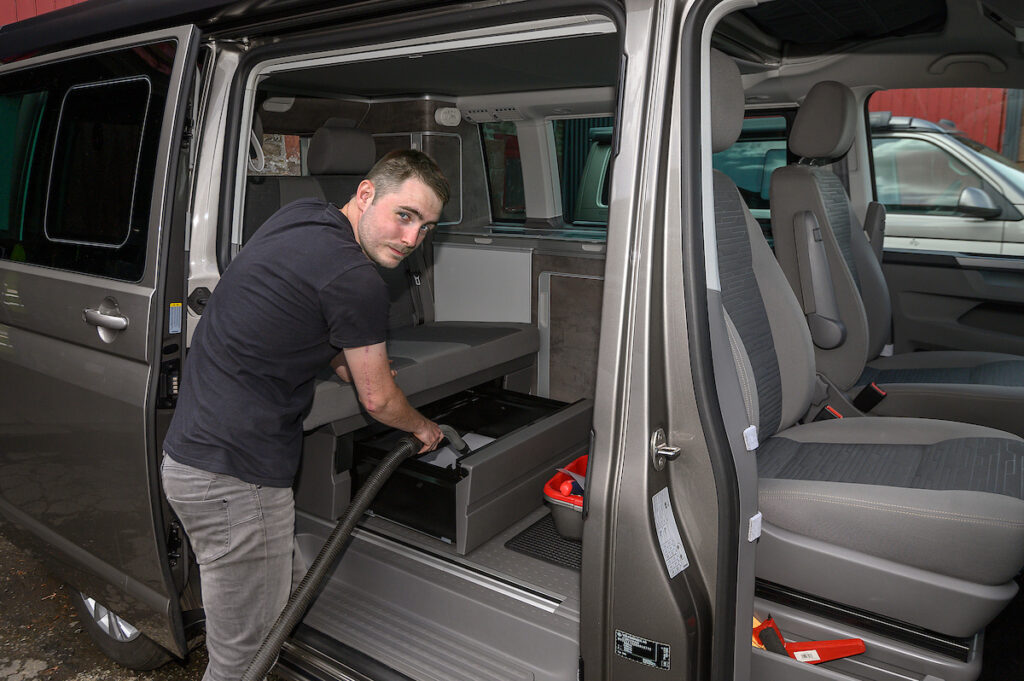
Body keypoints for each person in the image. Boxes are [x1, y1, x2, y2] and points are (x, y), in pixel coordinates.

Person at [160, 149, 448, 681]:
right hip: (234, 481)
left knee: (279, 586)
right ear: (366, 193)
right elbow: (380, 401)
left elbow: (294, 309)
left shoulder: (304, 217)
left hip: (194, 456)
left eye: (425, 228)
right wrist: (422, 427)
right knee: (244, 658)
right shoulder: (358, 282)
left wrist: (351, 365)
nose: (411, 241)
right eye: (404, 216)